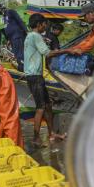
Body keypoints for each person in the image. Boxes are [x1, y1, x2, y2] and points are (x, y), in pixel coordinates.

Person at [24, 14, 67, 146]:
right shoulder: (35, 36)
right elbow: (47, 53)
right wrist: (68, 50)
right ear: (38, 25)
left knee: (48, 106)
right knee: (41, 107)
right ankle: (36, 138)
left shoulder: (30, 36)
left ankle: (52, 134)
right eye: (44, 24)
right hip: (34, 76)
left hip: (36, 76)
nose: (45, 26)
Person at [0, 2, 27, 71]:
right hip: (12, 38)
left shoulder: (11, 12)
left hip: (17, 36)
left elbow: (19, 21)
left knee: (19, 53)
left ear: (1, 7)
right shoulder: (4, 17)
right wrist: (8, 39)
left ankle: (24, 68)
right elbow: (8, 27)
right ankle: (22, 68)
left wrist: (26, 30)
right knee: (16, 54)